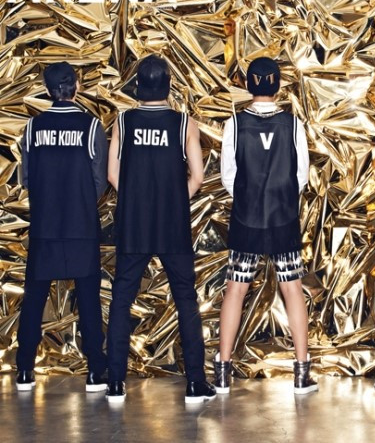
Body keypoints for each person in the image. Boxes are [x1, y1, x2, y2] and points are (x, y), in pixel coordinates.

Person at [105, 55, 215, 403]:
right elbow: (198, 177)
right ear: (168, 86)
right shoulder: (184, 124)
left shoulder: (123, 121)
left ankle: (115, 383)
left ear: (138, 86)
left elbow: (112, 174)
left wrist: (137, 200)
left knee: (122, 299)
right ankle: (195, 383)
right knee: (185, 299)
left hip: (134, 223)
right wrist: (172, 200)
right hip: (172, 224)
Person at [213, 57, 316, 394]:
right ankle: (301, 372)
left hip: (247, 218)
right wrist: (280, 197)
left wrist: (248, 197)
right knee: (292, 289)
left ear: (248, 84)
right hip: (283, 218)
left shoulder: (235, 124)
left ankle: (223, 371)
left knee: (235, 289)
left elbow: (228, 176)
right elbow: (301, 176)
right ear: (278, 85)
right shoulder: (293, 124)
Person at [16, 62, 108, 393]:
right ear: (76, 87)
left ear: (47, 90)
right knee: (89, 300)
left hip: (45, 226)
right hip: (81, 227)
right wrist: (80, 202)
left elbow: (26, 178)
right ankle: (96, 372)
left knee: (34, 299)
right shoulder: (91, 126)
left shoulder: (33, 128)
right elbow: (100, 180)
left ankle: (24, 371)